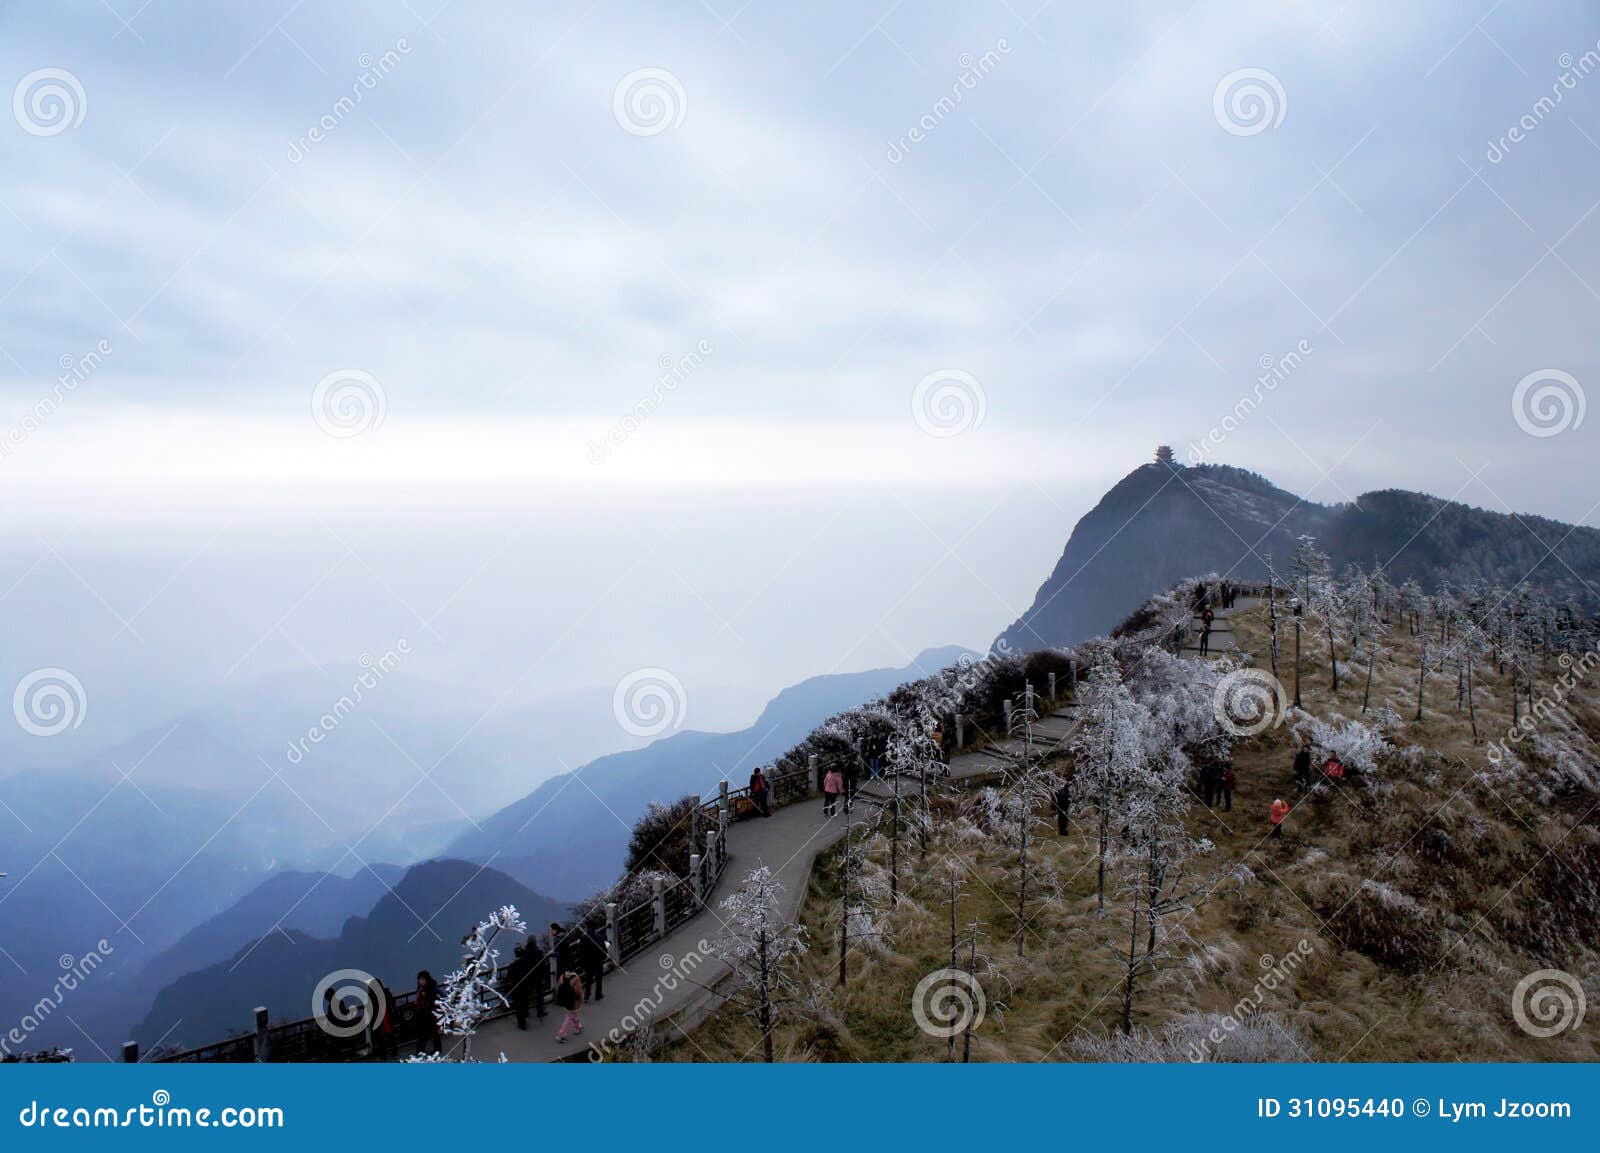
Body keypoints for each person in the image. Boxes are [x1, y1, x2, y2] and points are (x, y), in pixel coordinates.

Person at [506, 945, 533, 1030]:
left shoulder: (513, 965)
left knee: (518, 1005)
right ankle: (526, 1013)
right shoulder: (528, 962)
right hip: (527, 986)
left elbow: (508, 977)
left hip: (517, 988)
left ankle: (522, 1023)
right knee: (525, 1001)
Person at [414, 971, 442, 1056]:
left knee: (434, 1033)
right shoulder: (420, 988)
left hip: (431, 1014)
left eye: (422, 979)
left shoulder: (432, 988)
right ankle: (420, 1051)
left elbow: (438, 998)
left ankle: (437, 1049)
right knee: (421, 1034)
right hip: (422, 1014)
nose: (421, 981)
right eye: (420, 980)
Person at [579, 922, 608, 1003]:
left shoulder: (583, 937)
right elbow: (603, 949)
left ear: (587, 927)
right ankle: (598, 995)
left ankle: (587, 995)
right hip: (598, 960)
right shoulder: (599, 937)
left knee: (588, 978)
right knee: (599, 978)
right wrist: (604, 957)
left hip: (587, 961)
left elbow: (581, 950)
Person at [554, 970, 584, 1044]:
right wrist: (581, 998)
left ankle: (578, 1027)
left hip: (565, 1000)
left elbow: (559, 986)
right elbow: (578, 991)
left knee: (573, 1014)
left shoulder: (562, 976)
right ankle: (561, 1034)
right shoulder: (575, 978)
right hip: (573, 1001)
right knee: (570, 1017)